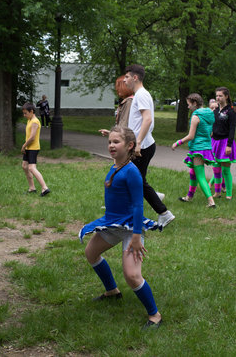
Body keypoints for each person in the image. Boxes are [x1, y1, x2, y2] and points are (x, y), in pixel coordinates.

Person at [80, 126, 162, 330]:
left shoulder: (131, 171)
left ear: (130, 145)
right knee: (91, 252)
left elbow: (137, 205)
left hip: (130, 227)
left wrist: (136, 236)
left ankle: (155, 315)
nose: (111, 146)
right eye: (109, 142)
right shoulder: (116, 166)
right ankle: (112, 292)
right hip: (112, 223)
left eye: (116, 142)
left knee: (132, 275)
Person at [122, 64, 175, 228]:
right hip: (141, 144)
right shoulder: (139, 95)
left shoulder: (141, 95)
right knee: (135, 180)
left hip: (142, 146)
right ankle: (149, 202)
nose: (124, 80)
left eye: (127, 77)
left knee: (136, 181)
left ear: (135, 77)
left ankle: (164, 213)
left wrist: (137, 144)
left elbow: (147, 119)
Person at [171, 93, 216, 208]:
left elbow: (191, 136)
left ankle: (211, 202)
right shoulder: (210, 114)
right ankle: (189, 197)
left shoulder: (196, 116)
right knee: (193, 172)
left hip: (198, 148)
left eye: (189, 104)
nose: (188, 107)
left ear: (195, 103)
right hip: (206, 147)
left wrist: (178, 142)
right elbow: (211, 133)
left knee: (200, 176)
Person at [210, 87, 236, 200]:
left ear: (226, 96)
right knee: (216, 169)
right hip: (215, 143)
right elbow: (213, 125)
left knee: (226, 170)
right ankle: (217, 192)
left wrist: (229, 145)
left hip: (225, 143)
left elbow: (232, 129)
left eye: (220, 96)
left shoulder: (231, 112)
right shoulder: (216, 110)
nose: (218, 98)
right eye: (217, 96)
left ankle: (229, 193)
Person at [21, 102, 50, 197]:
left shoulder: (35, 122)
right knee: (25, 166)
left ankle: (44, 188)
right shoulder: (29, 120)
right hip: (28, 147)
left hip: (33, 148)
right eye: (23, 113)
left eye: (26, 113)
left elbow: (32, 137)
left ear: (32, 111)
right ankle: (32, 188)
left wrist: (24, 145)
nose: (24, 115)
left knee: (31, 168)